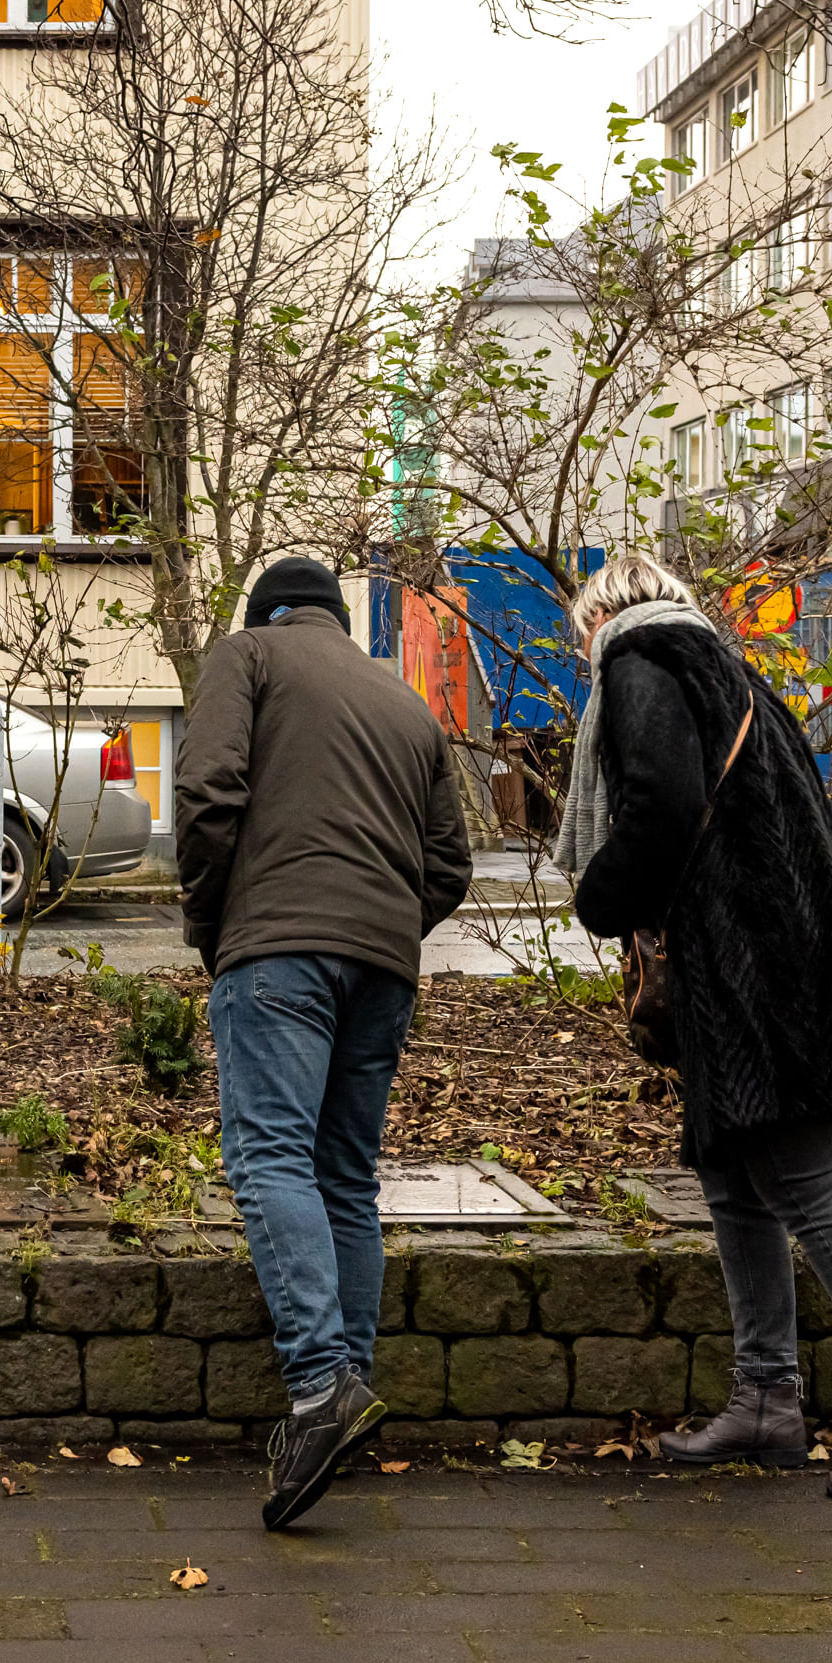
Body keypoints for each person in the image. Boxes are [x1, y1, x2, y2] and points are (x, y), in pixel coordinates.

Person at [556, 551, 832, 1502]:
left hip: (749, 967)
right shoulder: (727, 669)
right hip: (781, 952)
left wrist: (601, 896)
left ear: (600, 617)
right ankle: (766, 1397)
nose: (584, 649)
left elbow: (657, 803)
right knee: (732, 1170)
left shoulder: (637, 665)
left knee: (797, 1178)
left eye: (581, 632)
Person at [172, 554, 474, 1532]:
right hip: (381, 967)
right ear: (340, 620)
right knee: (346, 1174)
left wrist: (215, 926)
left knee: (268, 1156)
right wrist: (385, 926)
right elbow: (450, 866)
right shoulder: (406, 702)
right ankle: (349, 1391)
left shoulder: (246, 655)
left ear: (268, 610)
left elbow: (209, 792)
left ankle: (319, 1386)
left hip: (278, 953)